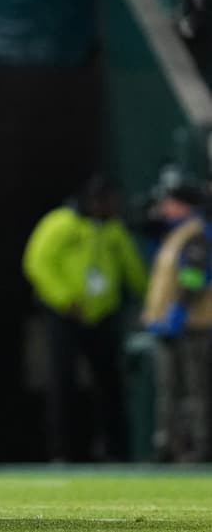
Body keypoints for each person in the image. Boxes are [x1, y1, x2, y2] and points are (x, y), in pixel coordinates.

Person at [22, 175, 149, 461]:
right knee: (61, 383)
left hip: (102, 316)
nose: (114, 207)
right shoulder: (61, 223)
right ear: (94, 200)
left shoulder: (113, 230)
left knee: (110, 384)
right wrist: (65, 299)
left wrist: (148, 300)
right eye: (109, 202)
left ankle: (118, 451)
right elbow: (37, 263)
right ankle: (63, 451)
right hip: (65, 316)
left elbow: (132, 267)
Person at [141, 183, 212, 462]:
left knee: (196, 390)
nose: (165, 208)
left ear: (185, 205)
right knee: (169, 391)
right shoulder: (175, 234)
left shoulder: (196, 234)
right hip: (170, 326)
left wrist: (177, 315)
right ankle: (168, 446)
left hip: (193, 326)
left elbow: (194, 277)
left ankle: (201, 446)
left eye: (170, 202)